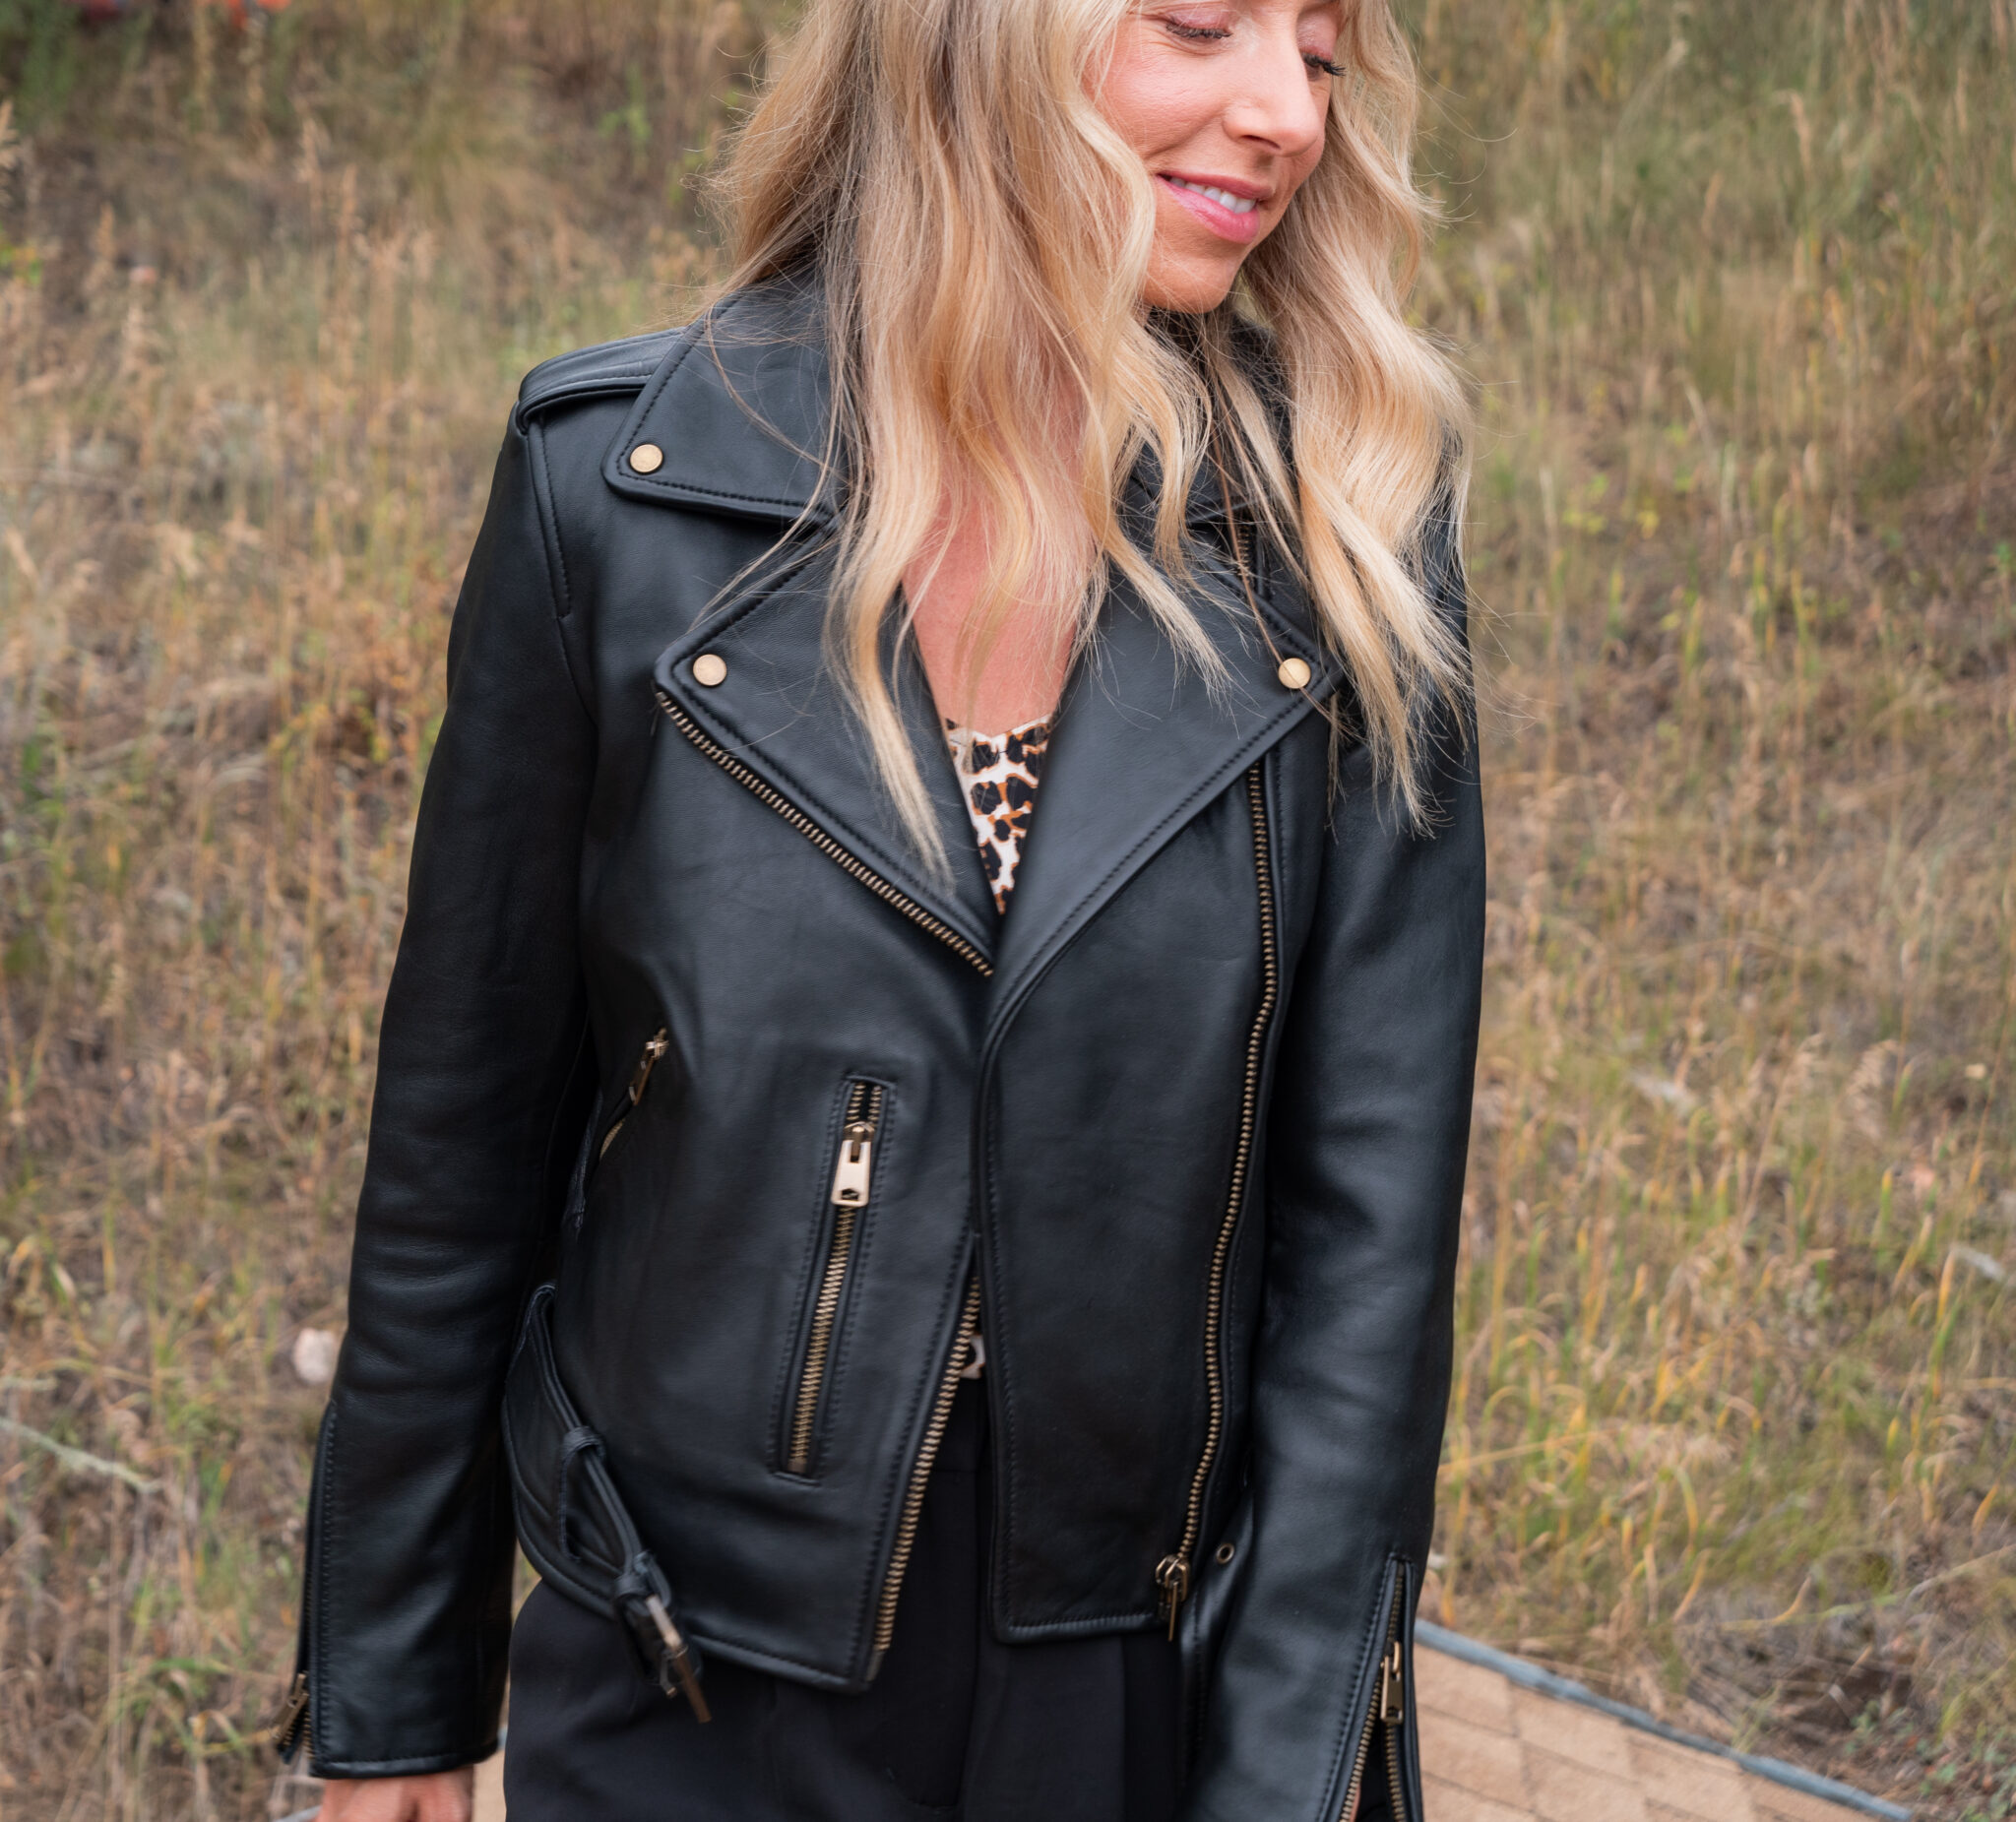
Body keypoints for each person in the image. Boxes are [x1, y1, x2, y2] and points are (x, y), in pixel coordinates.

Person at [280, 1, 1484, 1817]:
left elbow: (1368, 1263)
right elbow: (459, 1155)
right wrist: (394, 1693)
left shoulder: (1350, 534)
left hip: (1122, 1681)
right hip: (675, 1661)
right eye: (1201, 24)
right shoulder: (620, 493)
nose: (1286, 114)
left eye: (1318, 52)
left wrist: (1287, 1771)